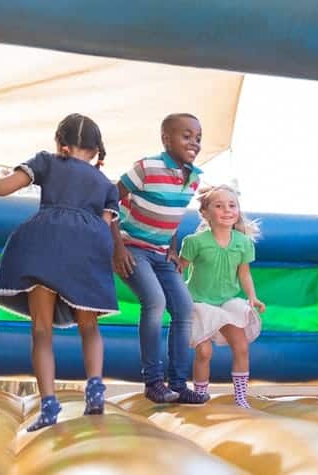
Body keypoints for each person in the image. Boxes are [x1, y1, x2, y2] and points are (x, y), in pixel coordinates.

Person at [0, 113, 119, 431]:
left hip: (43, 243)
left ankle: (48, 405)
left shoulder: (46, 161)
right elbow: (106, 224)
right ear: (96, 151)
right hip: (88, 247)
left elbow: (2, 189)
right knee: (89, 326)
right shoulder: (105, 184)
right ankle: (95, 388)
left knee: (42, 331)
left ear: (60, 143)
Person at [110, 113, 209, 404]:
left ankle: (177, 384)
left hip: (161, 253)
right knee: (155, 301)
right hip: (133, 248)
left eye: (198, 138)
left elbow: (171, 218)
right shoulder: (146, 167)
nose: (194, 142)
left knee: (184, 308)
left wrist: (174, 250)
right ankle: (153, 381)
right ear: (166, 139)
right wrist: (118, 247)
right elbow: (109, 199)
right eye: (186, 136)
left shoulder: (193, 178)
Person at [178, 185, 264, 408]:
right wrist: (176, 298)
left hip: (227, 302)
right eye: (219, 206)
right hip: (199, 301)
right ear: (205, 213)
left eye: (232, 205)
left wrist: (252, 297)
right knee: (204, 352)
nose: (227, 210)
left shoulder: (243, 242)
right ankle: (200, 395)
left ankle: (241, 397)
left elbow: (244, 274)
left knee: (241, 346)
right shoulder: (194, 242)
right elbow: (178, 270)